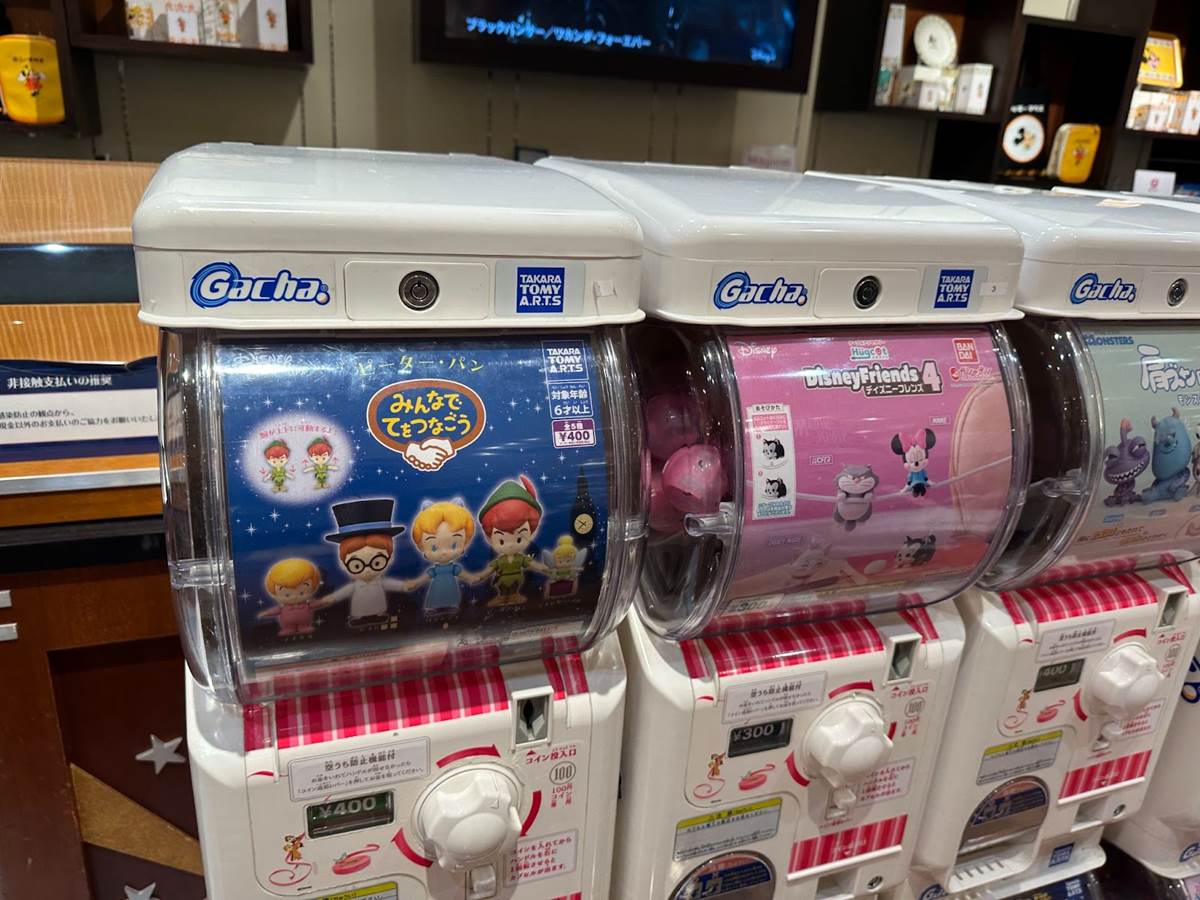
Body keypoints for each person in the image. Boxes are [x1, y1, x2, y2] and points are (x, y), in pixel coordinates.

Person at [319, 498, 407, 627]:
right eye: (357, 565)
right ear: (343, 563)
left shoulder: (380, 581)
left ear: (390, 558)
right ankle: (360, 618)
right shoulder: (355, 585)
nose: (367, 570)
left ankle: (378, 616)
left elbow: (391, 584)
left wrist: (404, 585)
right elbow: (344, 592)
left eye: (377, 563)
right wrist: (333, 597)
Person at [470, 476, 550, 606]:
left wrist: (543, 568)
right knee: (503, 589)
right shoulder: (499, 561)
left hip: (517, 580)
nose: (511, 545)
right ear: (489, 538)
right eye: (501, 541)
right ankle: (502, 597)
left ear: (532, 532)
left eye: (519, 539)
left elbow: (532, 565)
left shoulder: (521, 558)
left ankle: (514, 595)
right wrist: (481, 576)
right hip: (502, 581)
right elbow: (489, 570)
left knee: (514, 589)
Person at [400, 499, 477, 619]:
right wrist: (415, 582)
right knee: (435, 596)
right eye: (434, 548)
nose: (444, 552)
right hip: (437, 587)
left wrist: (470, 578)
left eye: (454, 546)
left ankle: (451, 606)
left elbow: (463, 574)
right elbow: (425, 577)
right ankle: (433, 608)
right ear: (422, 547)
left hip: (450, 587)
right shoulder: (435, 570)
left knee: (451, 595)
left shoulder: (453, 568)